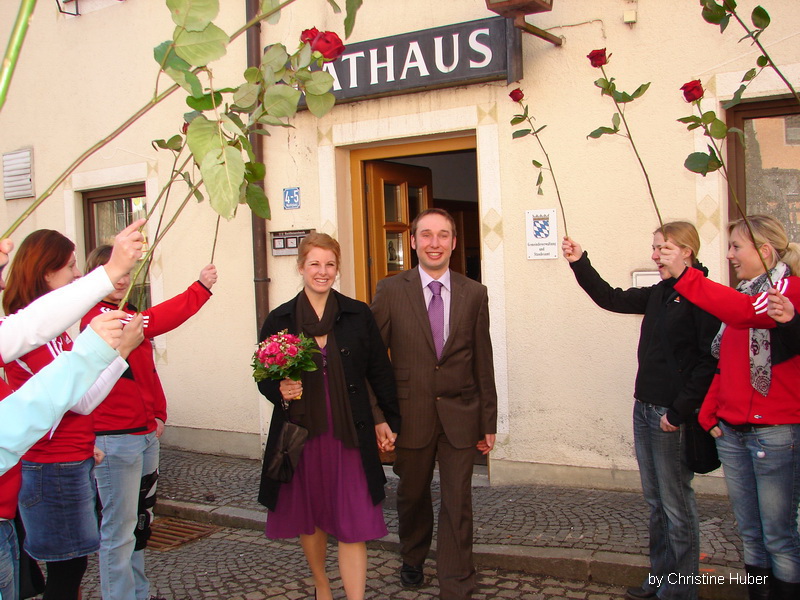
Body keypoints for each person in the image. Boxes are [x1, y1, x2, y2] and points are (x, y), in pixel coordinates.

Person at [562, 222, 720, 600]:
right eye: (654, 248)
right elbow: (610, 298)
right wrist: (580, 261)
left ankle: (680, 590)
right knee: (656, 504)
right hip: (644, 408)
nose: (654, 255)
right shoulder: (661, 292)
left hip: (671, 417)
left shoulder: (705, 295)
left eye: (662, 248)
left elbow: (708, 362)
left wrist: (678, 412)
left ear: (687, 251)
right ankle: (661, 578)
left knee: (677, 506)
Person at [0, 222, 144, 600]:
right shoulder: (36, 333)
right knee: (67, 570)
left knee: (71, 567)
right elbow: (76, 399)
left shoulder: (50, 329)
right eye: (70, 266)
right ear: (47, 273)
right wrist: (118, 351)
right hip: (52, 466)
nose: (77, 273)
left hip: (63, 460)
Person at [659, 215, 800, 600]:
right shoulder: (746, 292)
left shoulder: (785, 291)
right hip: (734, 433)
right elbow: (726, 364)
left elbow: (745, 312)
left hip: (774, 434)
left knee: (779, 537)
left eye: (737, 246)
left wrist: (686, 275)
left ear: (764, 251)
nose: (729, 254)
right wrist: (710, 414)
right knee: (751, 534)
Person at [256, 233, 400, 600]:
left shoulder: (357, 314)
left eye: (330, 264)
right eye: (315, 264)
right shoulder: (280, 319)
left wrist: (386, 419)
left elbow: (378, 371)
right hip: (302, 436)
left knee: (354, 520)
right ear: (301, 267)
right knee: (312, 517)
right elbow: (263, 376)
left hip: (350, 433)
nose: (322, 272)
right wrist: (279, 389)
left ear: (338, 269)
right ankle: (322, 586)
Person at [370, 208, 497, 600]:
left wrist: (488, 421)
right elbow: (371, 360)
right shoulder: (391, 290)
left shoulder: (474, 293)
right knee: (412, 495)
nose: (434, 243)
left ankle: (456, 583)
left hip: (461, 414)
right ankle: (412, 556)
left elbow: (483, 359)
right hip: (410, 414)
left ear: (454, 242)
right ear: (412, 241)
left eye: (443, 235)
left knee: (458, 501)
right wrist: (378, 416)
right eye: (426, 235)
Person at [81, 244, 216, 600]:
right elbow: (159, 319)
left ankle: (137, 592)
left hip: (142, 434)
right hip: (114, 437)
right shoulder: (93, 318)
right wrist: (199, 289)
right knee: (119, 528)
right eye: (116, 272)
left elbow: (147, 370)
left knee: (139, 523)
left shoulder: (127, 313)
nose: (123, 280)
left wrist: (157, 413)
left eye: (128, 273)